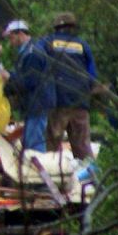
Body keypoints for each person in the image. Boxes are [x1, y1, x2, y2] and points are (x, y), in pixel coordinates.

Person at [40, 12, 98, 159]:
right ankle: (91, 179)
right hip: (80, 102)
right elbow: (92, 75)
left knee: (51, 146)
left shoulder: (48, 42)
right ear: (73, 28)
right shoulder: (83, 45)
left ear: (56, 27)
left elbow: (37, 65)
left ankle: (49, 179)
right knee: (83, 148)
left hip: (57, 101)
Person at [2, 20, 54, 153]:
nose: (10, 41)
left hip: (37, 104)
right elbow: (23, 75)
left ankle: (38, 171)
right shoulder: (26, 52)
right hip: (32, 105)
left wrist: (10, 78)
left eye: (11, 37)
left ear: (20, 34)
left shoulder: (32, 53)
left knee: (34, 145)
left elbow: (31, 81)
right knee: (29, 142)